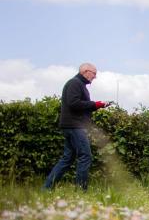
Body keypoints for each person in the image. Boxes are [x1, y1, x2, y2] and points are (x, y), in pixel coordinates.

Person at [43, 63, 108, 191]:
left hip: (72, 125)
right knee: (85, 156)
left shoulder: (79, 84)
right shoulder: (75, 83)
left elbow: (80, 106)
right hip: (74, 126)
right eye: (94, 73)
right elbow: (74, 103)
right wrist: (95, 104)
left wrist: (98, 105)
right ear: (86, 71)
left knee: (67, 158)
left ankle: (47, 188)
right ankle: (81, 191)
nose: (95, 77)